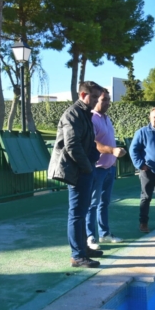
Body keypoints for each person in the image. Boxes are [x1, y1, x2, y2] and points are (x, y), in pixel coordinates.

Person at [48, 81, 105, 268]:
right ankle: (77, 255)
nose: (97, 100)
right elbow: (72, 145)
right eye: (94, 97)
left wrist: (93, 158)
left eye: (98, 97)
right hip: (77, 171)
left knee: (82, 210)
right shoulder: (73, 114)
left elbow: (88, 142)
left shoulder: (84, 114)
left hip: (84, 169)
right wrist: (88, 167)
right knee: (76, 214)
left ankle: (83, 249)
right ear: (82, 95)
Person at [85, 89, 127, 249]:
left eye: (109, 100)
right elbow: (94, 144)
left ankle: (104, 234)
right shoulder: (92, 119)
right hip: (97, 169)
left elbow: (109, 141)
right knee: (92, 204)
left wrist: (114, 160)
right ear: (96, 100)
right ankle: (90, 237)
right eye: (104, 100)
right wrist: (112, 151)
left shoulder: (107, 119)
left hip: (109, 168)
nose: (107, 103)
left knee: (104, 203)